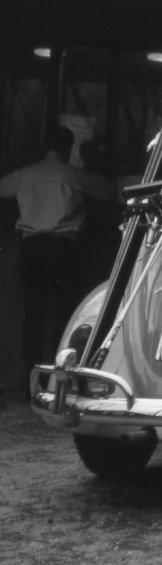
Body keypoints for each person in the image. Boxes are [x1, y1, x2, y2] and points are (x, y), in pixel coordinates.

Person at [0, 125, 115, 381]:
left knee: (33, 314)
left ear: (44, 145)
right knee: (66, 313)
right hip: (65, 249)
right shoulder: (75, 175)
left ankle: (31, 375)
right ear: (68, 147)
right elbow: (107, 191)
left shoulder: (24, 175)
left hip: (32, 249)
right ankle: (61, 376)